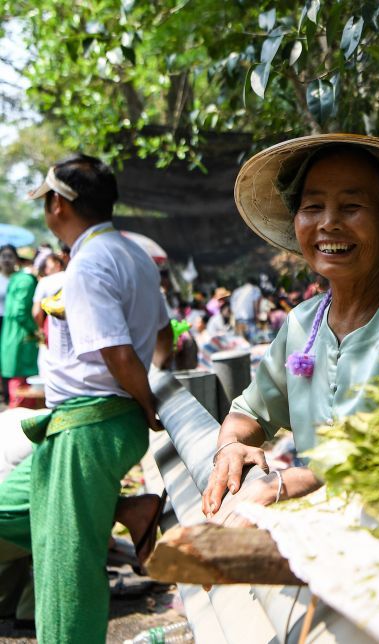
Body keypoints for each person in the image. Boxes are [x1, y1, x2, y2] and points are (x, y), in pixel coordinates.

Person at [202, 133, 379, 524]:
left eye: (352, 206)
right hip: (321, 539)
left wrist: (287, 484)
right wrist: (230, 447)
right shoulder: (302, 323)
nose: (328, 223)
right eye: (313, 207)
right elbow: (250, 412)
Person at [0, 154, 173, 643]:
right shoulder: (133, 253)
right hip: (91, 426)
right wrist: (149, 389)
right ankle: (127, 510)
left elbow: (118, 352)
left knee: (65, 567)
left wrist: (146, 402)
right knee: (27, 517)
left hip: (87, 427)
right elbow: (163, 336)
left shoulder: (90, 263)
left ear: (58, 204)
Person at [0, 248, 38, 408]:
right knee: (21, 387)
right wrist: (36, 330)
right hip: (21, 336)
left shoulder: (16, 279)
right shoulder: (26, 281)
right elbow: (20, 312)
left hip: (10, 333)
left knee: (15, 383)